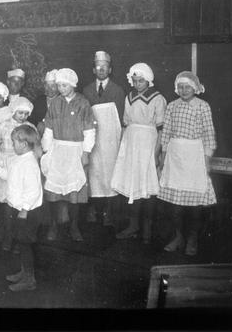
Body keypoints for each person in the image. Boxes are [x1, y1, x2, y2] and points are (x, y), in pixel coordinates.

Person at [158, 71, 216, 256]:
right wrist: (163, 156)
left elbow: (209, 134)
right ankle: (178, 236)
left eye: (187, 87)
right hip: (174, 157)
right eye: (180, 87)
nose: (184, 90)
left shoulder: (203, 106)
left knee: (195, 204)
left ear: (195, 88)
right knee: (175, 203)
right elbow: (166, 132)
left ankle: (192, 239)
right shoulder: (172, 106)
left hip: (195, 157)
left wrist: (207, 159)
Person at [110, 63, 166, 244]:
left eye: (141, 80)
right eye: (134, 80)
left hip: (148, 144)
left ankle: (147, 230)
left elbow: (161, 129)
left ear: (148, 80)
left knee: (147, 186)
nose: (137, 84)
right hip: (131, 144)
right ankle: (133, 226)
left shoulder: (158, 98)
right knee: (131, 183)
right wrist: (123, 148)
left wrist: (157, 153)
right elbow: (126, 123)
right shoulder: (130, 96)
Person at [41, 68, 96, 242]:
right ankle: (53, 226)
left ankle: (74, 227)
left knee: (75, 192)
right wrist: (47, 149)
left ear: (72, 84)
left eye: (64, 85)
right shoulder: (55, 103)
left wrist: (86, 152)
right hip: (57, 149)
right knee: (53, 191)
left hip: (75, 150)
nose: (61, 88)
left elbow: (89, 130)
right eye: (59, 85)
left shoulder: (83, 103)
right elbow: (48, 128)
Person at [0, 125, 43, 292]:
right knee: (21, 241)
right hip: (18, 208)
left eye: (14, 142)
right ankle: (24, 272)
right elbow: (9, 177)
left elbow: (33, 191)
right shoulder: (18, 159)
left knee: (25, 244)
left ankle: (29, 279)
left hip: (27, 212)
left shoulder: (30, 163)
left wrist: (25, 210)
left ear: (24, 144)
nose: (12, 145)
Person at [0, 96, 37, 251]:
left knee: (18, 201)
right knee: (5, 201)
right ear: (14, 111)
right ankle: (5, 231)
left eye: (25, 114)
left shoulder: (30, 127)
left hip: (21, 164)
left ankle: (16, 237)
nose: (22, 116)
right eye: (19, 113)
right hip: (5, 163)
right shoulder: (4, 125)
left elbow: (35, 148)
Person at [82, 51, 125, 227]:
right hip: (93, 137)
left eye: (104, 67)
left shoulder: (118, 90)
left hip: (111, 140)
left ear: (110, 69)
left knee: (110, 171)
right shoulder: (86, 90)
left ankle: (109, 212)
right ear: (94, 69)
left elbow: (121, 118)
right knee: (94, 172)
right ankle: (95, 209)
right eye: (98, 67)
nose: (101, 70)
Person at [28, 69, 59, 136]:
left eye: (53, 86)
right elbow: (31, 119)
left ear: (58, 87)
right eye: (47, 86)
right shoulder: (39, 100)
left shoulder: (63, 101)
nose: (49, 89)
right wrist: (38, 123)